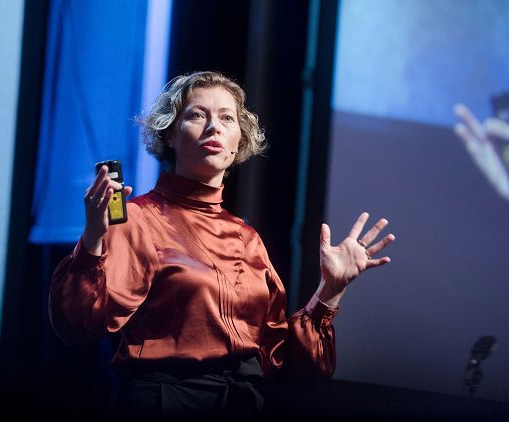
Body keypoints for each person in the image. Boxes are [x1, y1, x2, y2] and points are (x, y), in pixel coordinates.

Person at [48, 70, 397, 416]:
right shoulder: (139, 218)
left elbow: (289, 368)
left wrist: (331, 290)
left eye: (227, 118)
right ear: (170, 133)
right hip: (166, 401)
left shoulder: (247, 238)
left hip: (242, 403)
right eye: (198, 114)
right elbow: (80, 325)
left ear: (238, 143)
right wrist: (93, 238)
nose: (214, 127)